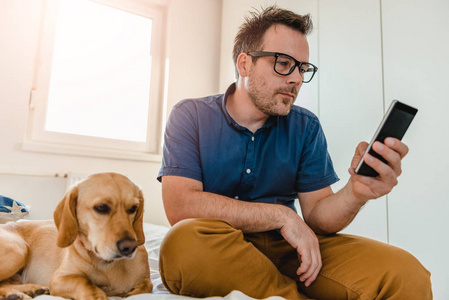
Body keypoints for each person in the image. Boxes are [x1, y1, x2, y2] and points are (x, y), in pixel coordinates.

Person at [157, 6, 432, 300]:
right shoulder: (190, 115)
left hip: (291, 251)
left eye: (302, 68)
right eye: (284, 63)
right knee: (182, 243)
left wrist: (356, 193)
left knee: (406, 272)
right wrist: (281, 217)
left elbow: (317, 216)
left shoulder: (306, 126)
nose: (297, 79)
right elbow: (180, 206)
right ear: (245, 64)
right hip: (222, 247)